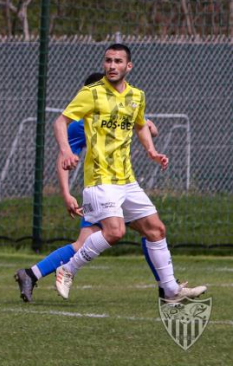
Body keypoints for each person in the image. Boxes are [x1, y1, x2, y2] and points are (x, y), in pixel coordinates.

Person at [52, 44, 206, 302]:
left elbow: (141, 124)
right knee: (115, 232)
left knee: (156, 230)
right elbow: (60, 121)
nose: (112, 66)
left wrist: (152, 151)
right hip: (101, 179)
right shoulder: (91, 93)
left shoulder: (137, 96)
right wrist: (67, 151)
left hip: (127, 181)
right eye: (108, 61)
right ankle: (68, 269)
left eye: (118, 61)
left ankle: (170, 291)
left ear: (128, 66)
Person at [14, 72, 161, 302]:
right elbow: (64, 159)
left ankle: (31, 274)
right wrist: (65, 194)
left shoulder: (119, 110)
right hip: (103, 190)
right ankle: (166, 288)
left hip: (122, 187)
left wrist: (147, 129)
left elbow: (143, 125)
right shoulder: (80, 125)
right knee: (145, 231)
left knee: (148, 231)